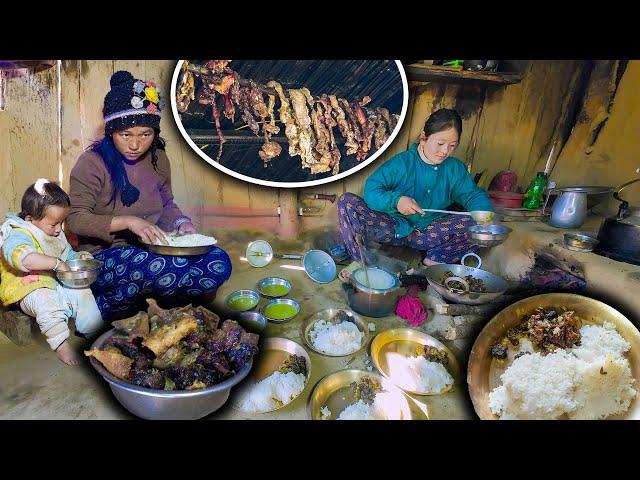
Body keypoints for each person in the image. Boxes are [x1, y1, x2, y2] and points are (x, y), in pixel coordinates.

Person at [66, 71, 232, 322]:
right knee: (170, 269)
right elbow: (75, 219)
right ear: (111, 132)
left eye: (146, 134)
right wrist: (128, 221)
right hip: (104, 257)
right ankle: (104, 304)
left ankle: (143, 297)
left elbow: (166, 204)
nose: (136, 145)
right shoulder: (91, 163)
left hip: (151, 247)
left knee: (219, 261)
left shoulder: (158, 160)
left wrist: (181, 223)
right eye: (126, 135)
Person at [337, 108, 493, 266]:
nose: (445, 151)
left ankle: (436, 259)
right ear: (423, 138)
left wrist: (484, 215)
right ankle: (360, 260)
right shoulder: (402, 163)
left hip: (429, 232)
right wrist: (396, 201)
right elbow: (372, 190)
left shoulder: (454, 169)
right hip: (392, 227)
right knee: (346, 202)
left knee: (478, 226)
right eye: (440, 143)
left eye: (452, 145)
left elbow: (472, 195)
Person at [0, 179, 103, 366]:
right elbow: (22, 258)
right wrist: (55, 263)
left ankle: (94, 333)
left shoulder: (54, 231)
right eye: (54, 224)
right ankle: (61, 345)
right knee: (46, 302)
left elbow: (67, 254)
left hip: (55, 282)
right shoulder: (19, 233)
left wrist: (80, 257)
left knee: (83, 292)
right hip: (28, 289)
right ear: (30, 219)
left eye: (61, 223)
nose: (58, 230)